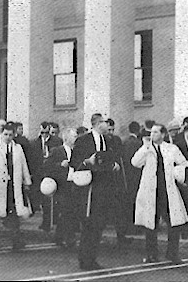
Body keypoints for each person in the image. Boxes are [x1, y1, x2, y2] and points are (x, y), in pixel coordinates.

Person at [132, 123, 188, 264]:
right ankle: (151, 254)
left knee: (173, 223)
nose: (153, 135)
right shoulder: (146, 149)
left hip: (167, 191)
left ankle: (172, 253)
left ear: (163, 134)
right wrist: (146, 147)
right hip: (151, 192)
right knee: (151, 224)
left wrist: (179, 173)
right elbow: (135, 163)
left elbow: (184, 163)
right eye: (151, 132)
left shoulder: (171, 148)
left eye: (156, 132)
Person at [70, 113, 121, 270]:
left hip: (104, 188)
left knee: (99, 225)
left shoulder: (108, 140)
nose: (108, 125)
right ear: (98, 123)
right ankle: (84, 259)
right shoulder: (83, 140)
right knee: (88, 225)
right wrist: (87, 161)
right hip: (88, 189)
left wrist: (115, 165)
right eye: (106, 122)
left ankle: (92, 258)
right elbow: (74, 162)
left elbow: (111, 159)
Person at [0, 123, 32, 250]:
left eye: (10, 134)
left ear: (14, 134)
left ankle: (16, 240)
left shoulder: (18, 148)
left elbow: (23, 165)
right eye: (5, 134)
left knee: (13, 212)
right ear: (0, 133)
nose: (8, 137)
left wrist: (27, 181)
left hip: (13, 185)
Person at [43, 128, 79, 248]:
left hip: (74, 184)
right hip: (63, 185)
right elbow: (47, 165)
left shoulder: (78, 151)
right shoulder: (57, 151)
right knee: (65, 211)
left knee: (70, 212)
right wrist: (60, 165)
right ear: (66, 138)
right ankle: (68, 238)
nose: (76, 138)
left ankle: (60, 236)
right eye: (74, 136)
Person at [27, 121, 62, 232]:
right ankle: (46, 221)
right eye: (42, 133)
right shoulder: (34, 143)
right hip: (39, 174)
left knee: (51, 199)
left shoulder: (57, 141)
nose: (45, 135)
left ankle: (51, 220)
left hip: (52, 173)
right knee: (42, 199)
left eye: (47, 133)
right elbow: (31, 160)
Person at [106, 118, 133, 247]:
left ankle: (121, 236)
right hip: (106, 179)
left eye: (112, 130)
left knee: (120, 210)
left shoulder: (117, 140)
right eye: (108, 130)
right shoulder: (102, 141)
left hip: (117, 180)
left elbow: (122, 157)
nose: (110, 132)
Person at [122, 121, 143, 235]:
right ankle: (136, 227)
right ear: (138, 130)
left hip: (126, 176)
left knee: (128, 202)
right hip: (137, 176)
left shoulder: (124, 142)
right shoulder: (138, 143)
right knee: (136, 202)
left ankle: (128, 227)